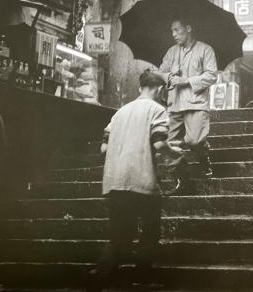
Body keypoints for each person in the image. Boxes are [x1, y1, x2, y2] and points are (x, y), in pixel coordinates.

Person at [89, 70, 182, 290]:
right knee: (150, 229)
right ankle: (141, 275)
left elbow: (103, 148)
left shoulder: (120, 112)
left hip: (113, 180)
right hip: (140, 179)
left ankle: (100, 273)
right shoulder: (158, 110)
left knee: (120, 230)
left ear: (140, 88)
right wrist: (174, 152)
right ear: (160, 90)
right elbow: (159, 144)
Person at [158, 17, 218, 194]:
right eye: (172, 31)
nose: (174, 34)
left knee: (195, 140)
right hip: (174, 103)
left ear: (189, 28)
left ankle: (204, 157)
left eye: (177, 30)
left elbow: (212, 75)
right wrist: (169, 76)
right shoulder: (171, 52)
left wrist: (187, 81)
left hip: (196, 103)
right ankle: (179, 174)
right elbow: (160, 71)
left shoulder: (205, 49)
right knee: (168, 142)